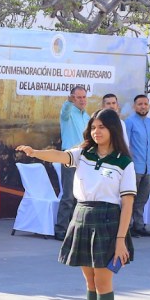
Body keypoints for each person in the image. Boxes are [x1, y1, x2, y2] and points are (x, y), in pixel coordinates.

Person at [17, 108, 136, 300]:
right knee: (90, 281)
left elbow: (127, 204)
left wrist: (121, 240)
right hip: (82, 217)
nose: (96, 131)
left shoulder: (124, 162)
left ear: (113, 129)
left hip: (108, 221)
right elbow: (60, 156)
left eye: (102, 127)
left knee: (103, 281)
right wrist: (35, 152)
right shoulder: (83, 154)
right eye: (93, 127)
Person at [55, 85, 90, 239]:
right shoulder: (67, 113)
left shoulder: (87, 116)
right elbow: (65, 111)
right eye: (78, 97)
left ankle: (74, 228)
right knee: (68, 196)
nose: (82, 100)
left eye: (84, 97)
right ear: (73, 98)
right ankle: (60, 230)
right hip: (69, 157)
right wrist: (68, 102)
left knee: (80, 196)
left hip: (84, 159)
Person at [124, 94, 150, 237]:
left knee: (142, 199)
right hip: (134, 168)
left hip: (149, 168)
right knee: (129, 198)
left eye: (145, 104)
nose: (143, 106)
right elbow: (125, 145)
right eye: (140, 104)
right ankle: (126, 228)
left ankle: (138, 226)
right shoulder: (129, 122)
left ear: (149, 106)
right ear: (134, 106)